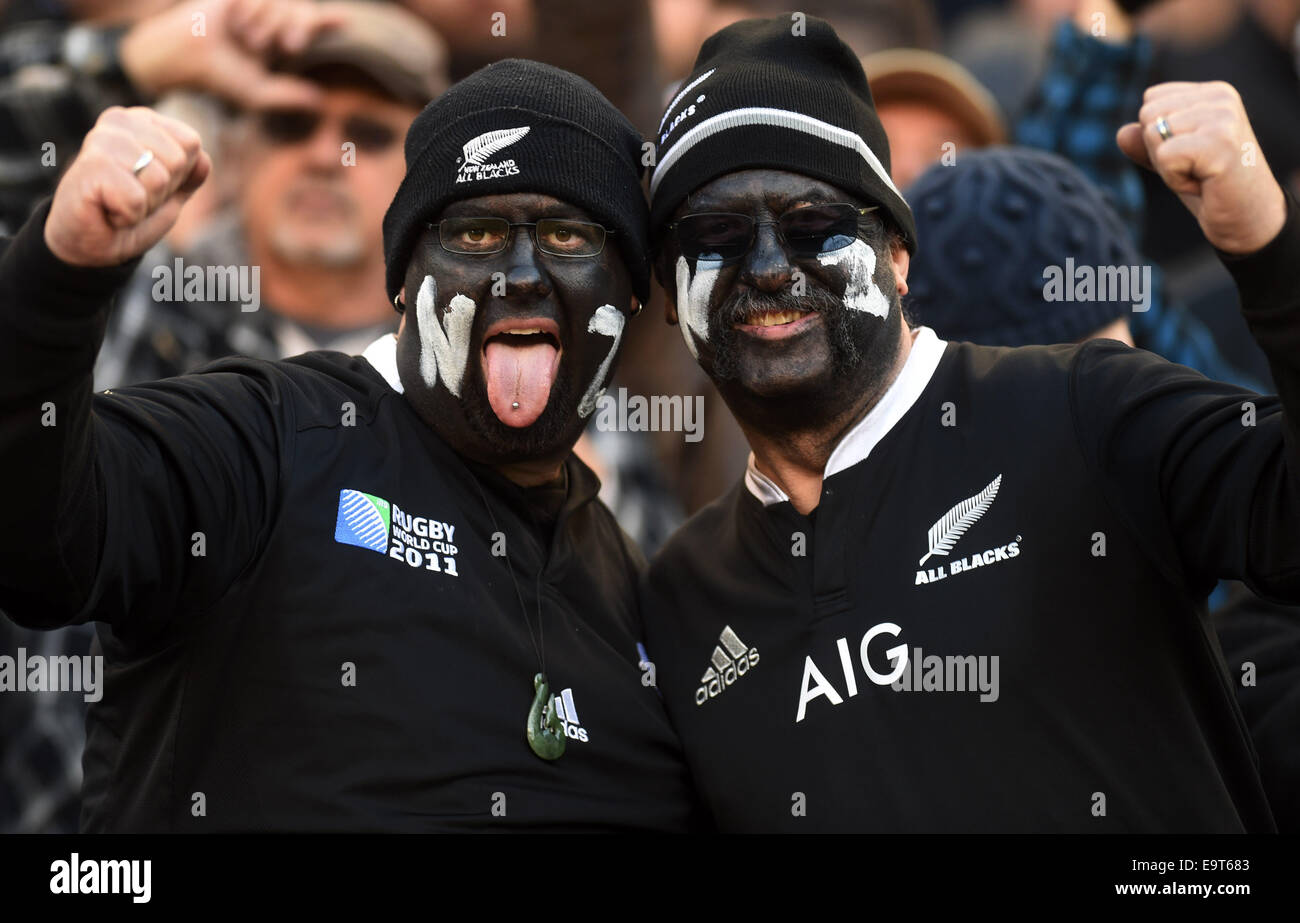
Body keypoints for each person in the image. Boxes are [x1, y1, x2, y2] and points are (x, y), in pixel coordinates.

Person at [0, 60, 701, 832]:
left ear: (632, 293)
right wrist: (58, 278)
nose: (522, 274)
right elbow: (40, 540)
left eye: (571, 234)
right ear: (403, 278)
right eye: (476, 231)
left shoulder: (637, 589)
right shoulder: (267, 437)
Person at [641, 15, 1298, 832]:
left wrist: (1270, 252)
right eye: (717, 236)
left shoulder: (1083, 409)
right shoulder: (680, 597)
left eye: (815, 226)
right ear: (669, 293)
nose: (771, 267)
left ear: (898, 254)